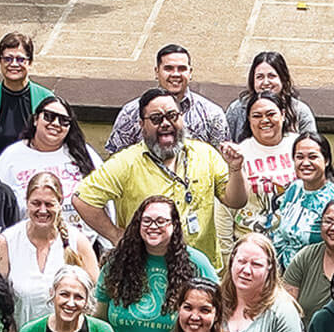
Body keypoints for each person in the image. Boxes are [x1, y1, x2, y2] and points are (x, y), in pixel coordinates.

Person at [73, 89, 248, 269]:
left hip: (200, 271)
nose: (165, 123)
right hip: (146, 271)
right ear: (142, 124)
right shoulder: (126, 162)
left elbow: (235, 201)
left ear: (182, 118)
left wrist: (235, 169)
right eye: (156, 119)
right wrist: (116, 235)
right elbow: (82, 199)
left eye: (172, 116)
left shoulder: (206, 154)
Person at [93, 195, 219, 332]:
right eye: (146, 221)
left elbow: (218, 313)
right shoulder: (117, 262)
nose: (153, 226)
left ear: (174, 225)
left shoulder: (196, 263)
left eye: (161, 221)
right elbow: (100, 318)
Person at [0, 95, 103, 238]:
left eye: (64, 121)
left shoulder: (84, 153)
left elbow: (105, 200)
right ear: (36, 119)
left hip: (80, 247)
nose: (56, 123)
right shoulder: (12, 156)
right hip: (25, 245)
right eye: (49, 116)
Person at [0, 171, 100, 330]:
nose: (42, 210)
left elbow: (96, 300)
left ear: (60, 203)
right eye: (36, 203)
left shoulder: (78, 242)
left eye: (49, 204)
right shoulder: (7, 242)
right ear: (26, 202)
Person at [216, 90, 300, 256]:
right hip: (252, 251)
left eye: (271, 114)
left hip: (296, 251)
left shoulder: (300, 145)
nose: (265, 120)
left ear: (283, 114)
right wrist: (227, 258)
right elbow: (224, 213)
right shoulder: (238, 154)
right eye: (257, 116)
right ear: (248, 119)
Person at [105, 44, 229, 154]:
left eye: (182, 69)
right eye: (168, 68)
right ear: (157, 71)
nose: (175, 74)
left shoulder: (212, 114)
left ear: (190, 73)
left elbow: (224, 163)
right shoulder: (131, 113)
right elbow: (115, 160)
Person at [263, 134, 334, 266]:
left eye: (312, 157)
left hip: (319, 275)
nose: (305, 163)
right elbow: (277, 231)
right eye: (299, 157)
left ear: (326, 160)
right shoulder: (294, 189)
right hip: (284, 275)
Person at [0, 31, 53, 158]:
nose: (13, 64)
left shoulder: (47, 99)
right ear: (0, 61)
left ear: (30, 62)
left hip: (36, 174)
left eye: (20, 59)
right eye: (7, 59)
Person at [223, 51, 318, 141]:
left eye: (271, 76)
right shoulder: (237, 109)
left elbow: (311, 146)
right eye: (260, 77)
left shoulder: (300, 111)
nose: (266, 82)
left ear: (283, 79)